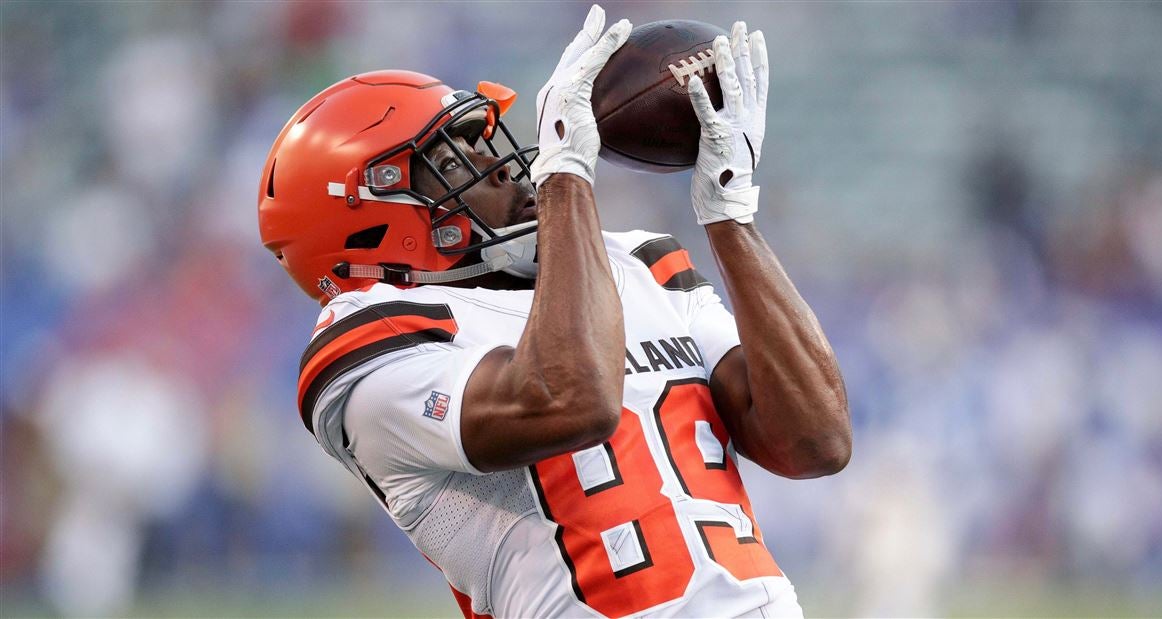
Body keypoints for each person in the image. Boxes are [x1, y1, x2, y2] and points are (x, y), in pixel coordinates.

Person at [257, 5, 851, 617]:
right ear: (373, 216)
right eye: (454, 161)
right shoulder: (371, 338)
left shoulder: (640, 263)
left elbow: (815, 440)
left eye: (483, 144)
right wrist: (567, 176)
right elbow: (572, 400)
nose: (502, 166)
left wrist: (730, 213)